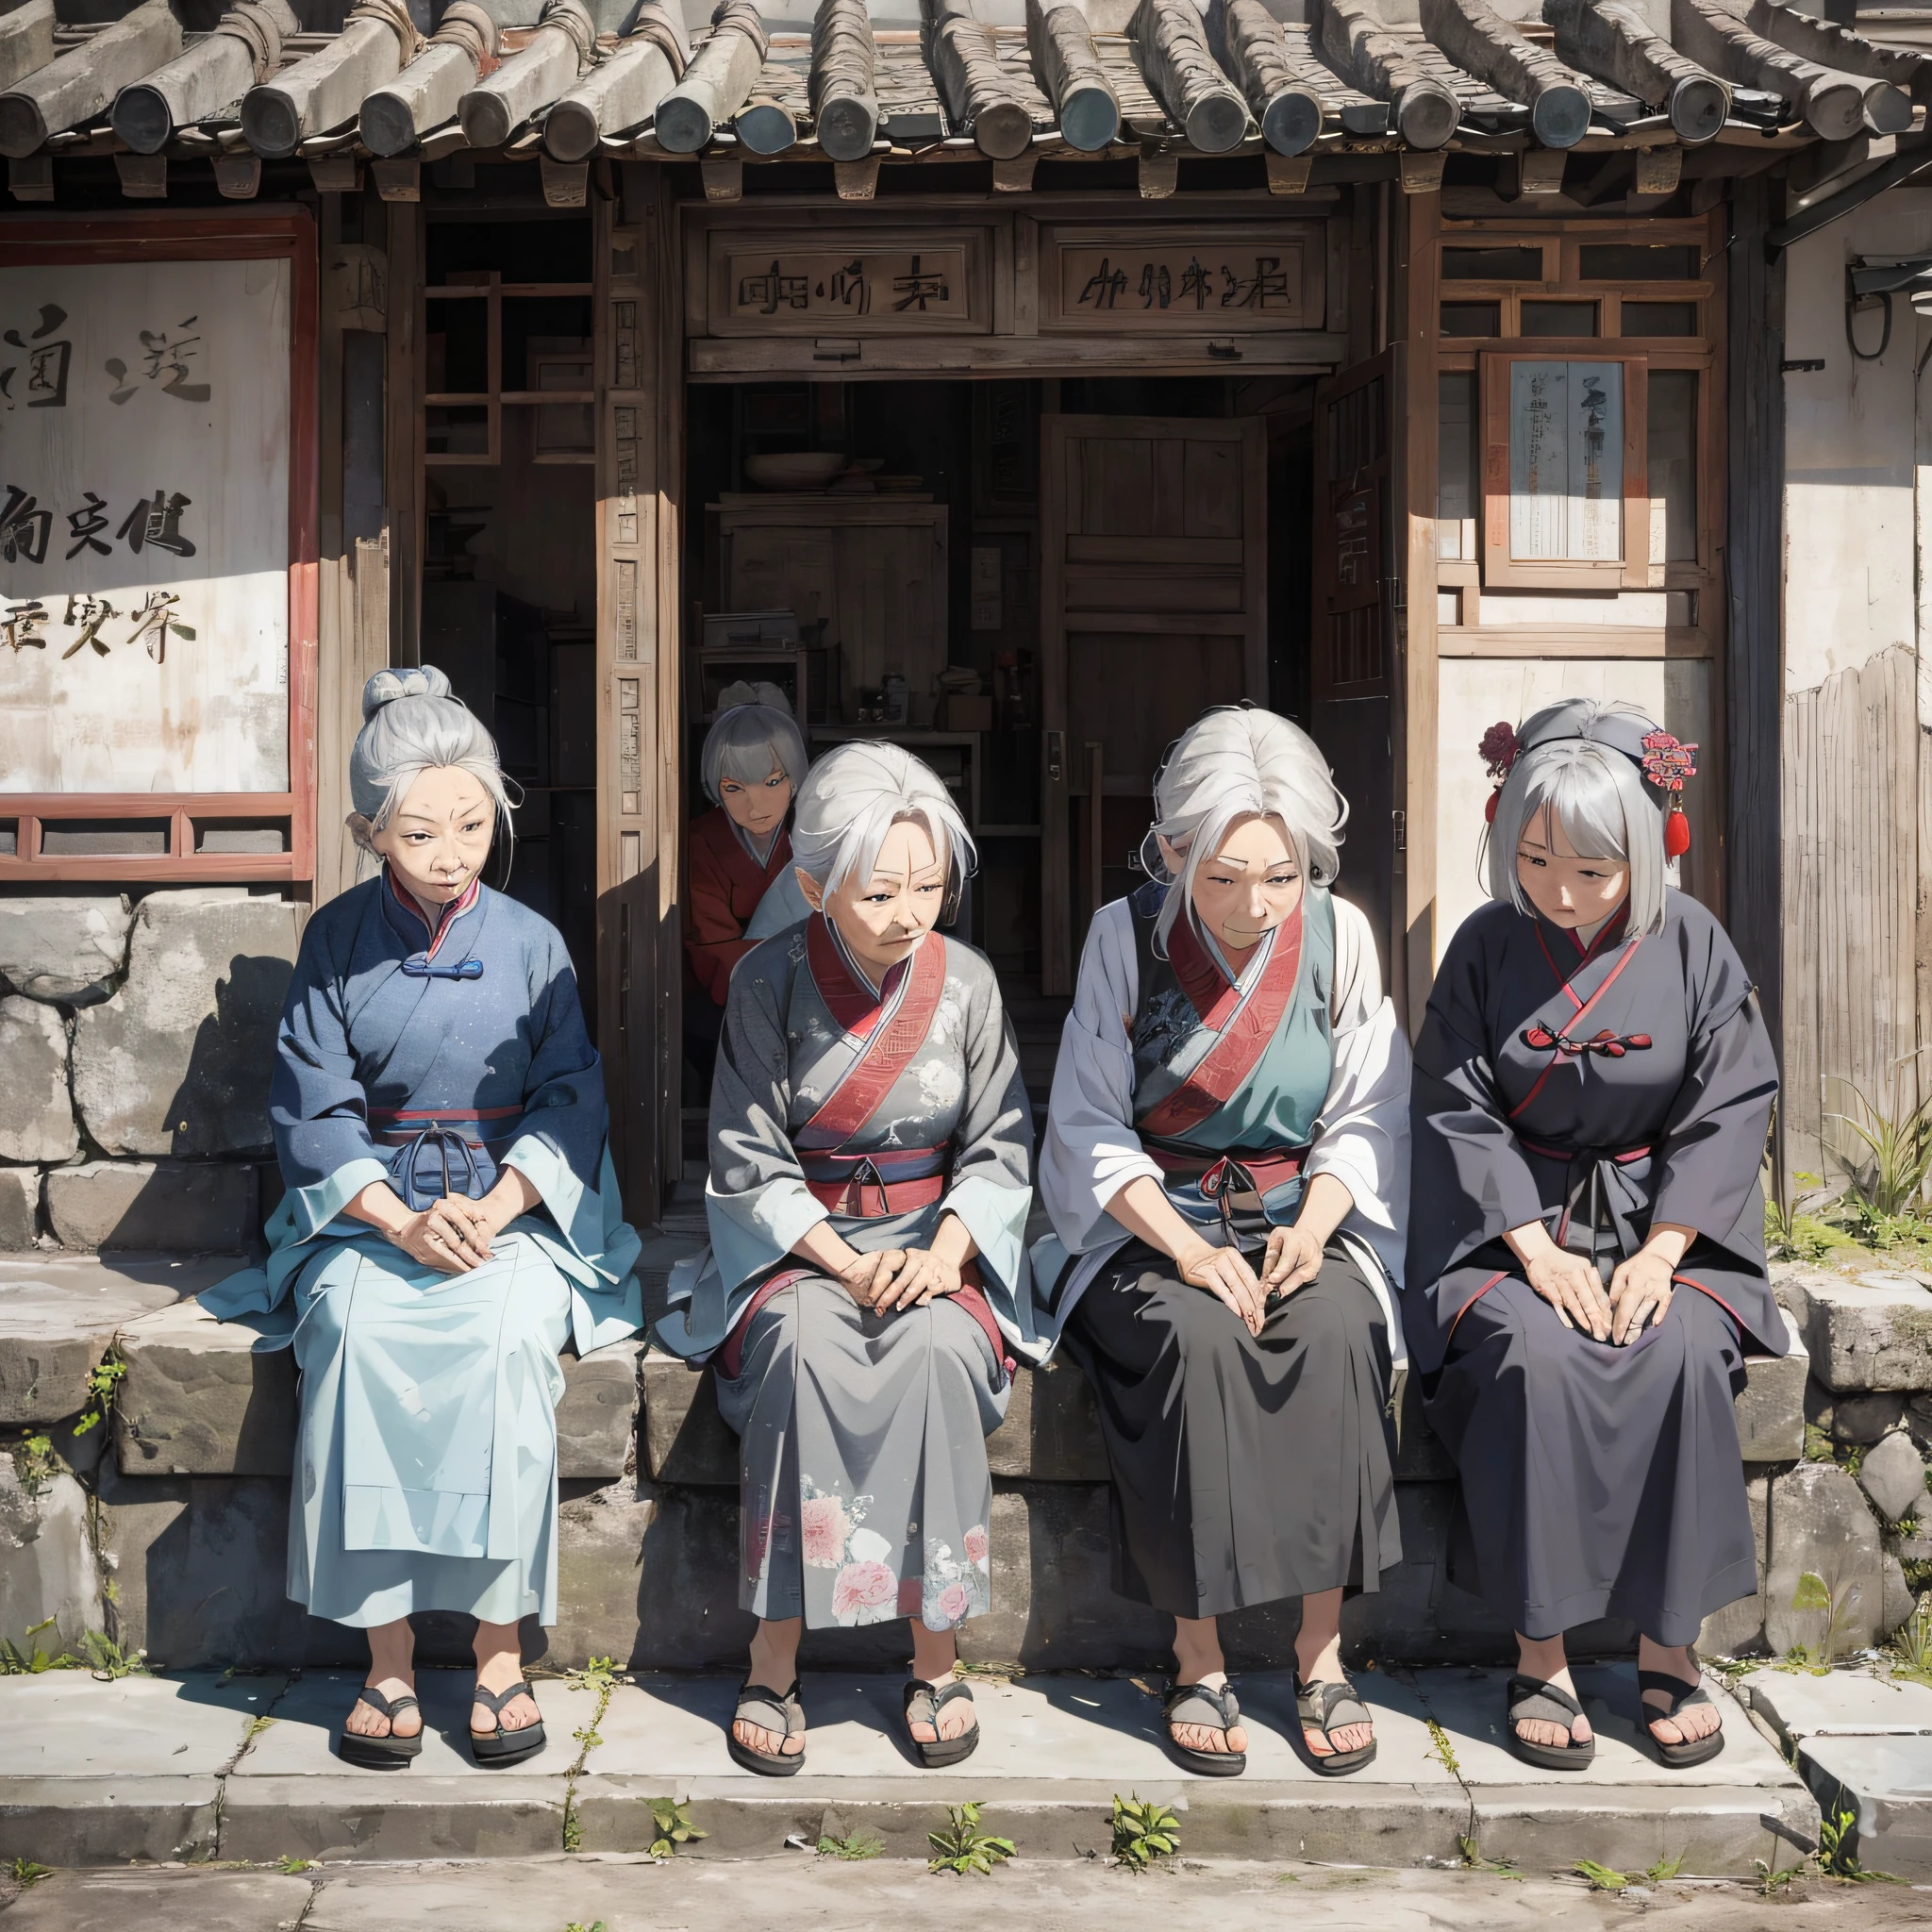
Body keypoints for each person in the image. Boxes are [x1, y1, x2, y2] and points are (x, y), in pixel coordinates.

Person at [201, 666, 642, 1771]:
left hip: (510, 1203)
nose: (454, 851)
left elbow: (569, 1093)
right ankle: (386, 1652)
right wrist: (397, 1222)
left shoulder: (535, 941)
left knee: (505, 1343)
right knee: (350, 1336)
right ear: (366, 829)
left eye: (473, 821)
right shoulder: (336, 941)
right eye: (420, 830)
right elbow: (314, 1102)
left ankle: (499, 1648)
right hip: (373, 1207)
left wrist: (495, 1206)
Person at [1032, 705, 1409, 1778]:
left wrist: (1318, 1224)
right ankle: (1194, 1655)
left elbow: (1366, 1110)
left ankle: (1318, 1650)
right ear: (1173, 853)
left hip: (1299, 1213)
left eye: (1279, 877)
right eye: (1222, 877)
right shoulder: (1121, 935)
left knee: (1335, 1329)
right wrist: (1187, 1250)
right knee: (1193, 1341)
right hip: (1152, 1220)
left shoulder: (1342, 936)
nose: (1253, 905)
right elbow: (1091, 1123)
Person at [1407, 699, 1782, 1772]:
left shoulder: (1694, 941)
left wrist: (1664, 1250)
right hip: (1512, 1225)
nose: (1558, 895)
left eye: (1590, 872)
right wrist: (1533, 1249)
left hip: (1666, 1219)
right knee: (1530, 1353)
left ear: (1644, 852)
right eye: (1533, 861)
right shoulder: (1482, 947)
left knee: (1678, 1353)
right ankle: (1541, 1652)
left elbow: (1727, 1102)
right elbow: (1451, 1104)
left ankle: (1670, 1646)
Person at [658, 741, 1033, 1776]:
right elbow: (741, 1149)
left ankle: (934, 1653)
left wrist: (949, 1250)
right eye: (878, 890)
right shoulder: (764, 981)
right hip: (799, 1244)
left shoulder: (969, 984)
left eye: (927, 885)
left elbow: (1000, 1140)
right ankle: (772, 1655)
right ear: (813, 885)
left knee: (936, 1356)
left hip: (931, 1240)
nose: (910, 911)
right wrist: (834, 1256)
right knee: (799, 1353)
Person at [684, 683, 808, 1085]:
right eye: (734, 788)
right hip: (729, 1000)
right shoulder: (701, 841)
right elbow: (711, 945)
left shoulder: (813, 832)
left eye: (773, 782)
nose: (756, 806)